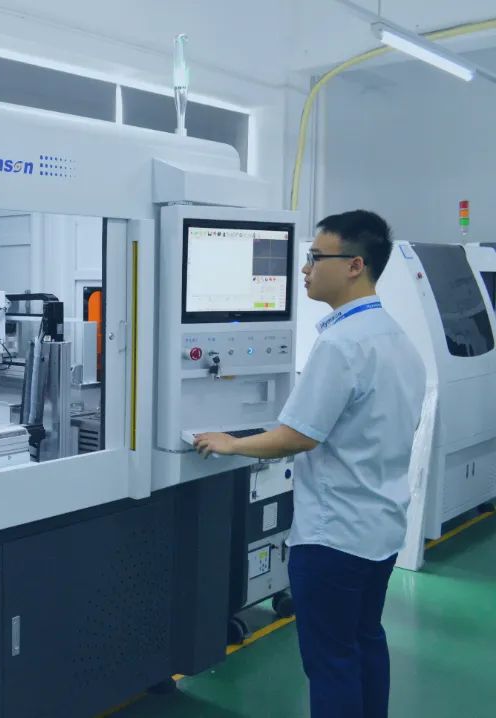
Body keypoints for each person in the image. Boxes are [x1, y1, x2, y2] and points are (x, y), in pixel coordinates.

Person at [194, 210, 425, 718]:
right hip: (382, 527)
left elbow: (296, 436)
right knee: (365, 640)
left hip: (333, 536)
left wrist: (230, 444)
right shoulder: (395, 337)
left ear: (355, 265)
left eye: (316, 257)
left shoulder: (341, 344)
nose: (305, 268)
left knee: (331, 661)